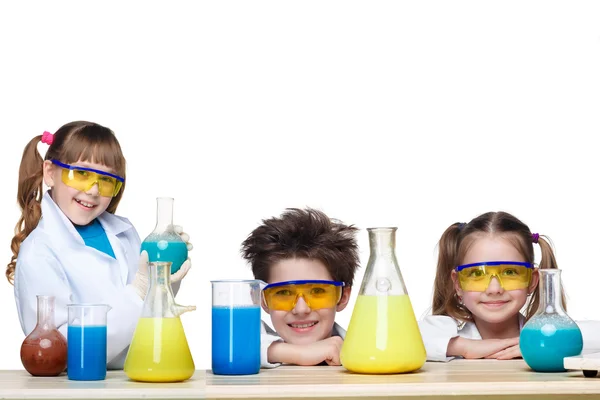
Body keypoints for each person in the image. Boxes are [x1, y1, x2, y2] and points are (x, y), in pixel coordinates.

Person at [6, 121, 193, 369]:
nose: (93, 190)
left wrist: (164, 280)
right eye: (82, 174)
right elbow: (62, 352)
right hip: (82, 387)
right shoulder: (39, 252)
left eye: (106, 180)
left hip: (140, 375)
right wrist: (140, 291)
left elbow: (149, 318)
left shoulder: (124, 233)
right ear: (50, 173)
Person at [419, 211, 600, 362]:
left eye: (510, 272)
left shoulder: (549, 335)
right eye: (476, 274)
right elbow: (404, 337)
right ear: (458, 284)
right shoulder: (445, 337)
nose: (494, 289)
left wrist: (545, 342)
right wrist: (461, 346)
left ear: (532, 280)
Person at [240, 208, 360, 368]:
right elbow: (235, 347)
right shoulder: (254, 340)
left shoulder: (365, 350)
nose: (301, 309)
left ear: (343, 296)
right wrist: (296, 354)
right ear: (262, 299)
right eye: (283, 293)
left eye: (317, 291)